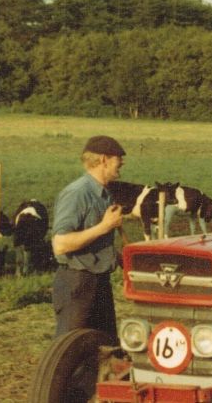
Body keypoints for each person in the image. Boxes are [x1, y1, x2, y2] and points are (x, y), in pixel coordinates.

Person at [51, 135, 125, 341]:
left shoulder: (102, 194)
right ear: (104, 159)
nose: (122, 163)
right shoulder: (77, 193)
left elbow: (95, 242)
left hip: (99, 281)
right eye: (119, 158)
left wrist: (118, 258)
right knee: (70, 349)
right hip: (76, 282)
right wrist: (105, 226)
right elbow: (61, 244)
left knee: (105, 345)